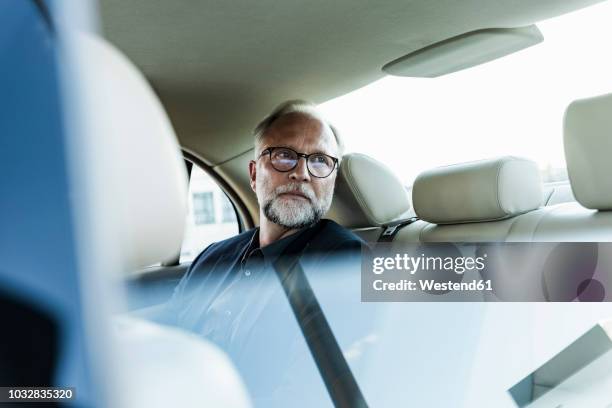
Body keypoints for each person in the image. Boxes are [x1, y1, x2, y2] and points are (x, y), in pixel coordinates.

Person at [159, 99, 365, 346]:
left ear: (332, 181)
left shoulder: (347, 263)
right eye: (284, 155)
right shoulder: (211, 258)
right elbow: (162, 341)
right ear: (255, 175)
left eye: (320, 160)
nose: (301, 173)